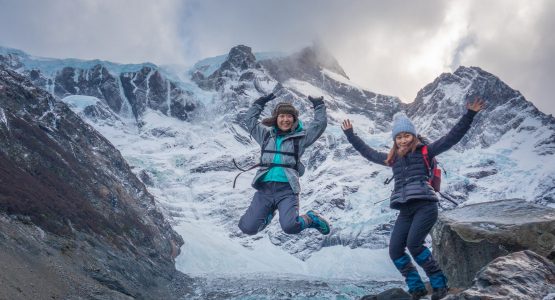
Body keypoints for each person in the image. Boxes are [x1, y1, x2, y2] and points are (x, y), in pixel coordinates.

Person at [341, 98, 485, 300]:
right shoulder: (392, 159)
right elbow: (368, 152)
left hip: (426, 205)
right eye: (398, 137)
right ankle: (416, 287)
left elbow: (451, 137)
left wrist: (469, 114)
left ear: (414, 136)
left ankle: (439, 284)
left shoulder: (426, 151)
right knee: (395, 250)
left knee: (415, 245)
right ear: (394, 140)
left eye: (407, 135)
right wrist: (350, 135)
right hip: (405, 210)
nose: (403, 140)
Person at [238, 92, 331, 236]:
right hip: (265, 189)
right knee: (247, 228)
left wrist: (319, 105)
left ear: (294, 119)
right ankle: (268, 215)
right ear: (276, 119)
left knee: (290, 227)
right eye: (282, 116)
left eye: (289, 116)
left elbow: (320, 125)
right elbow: (249, 120)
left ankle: (311, 218)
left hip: (287, 189)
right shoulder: (266, 135)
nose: (285, 119)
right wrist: (260, 103)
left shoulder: (301, 138)